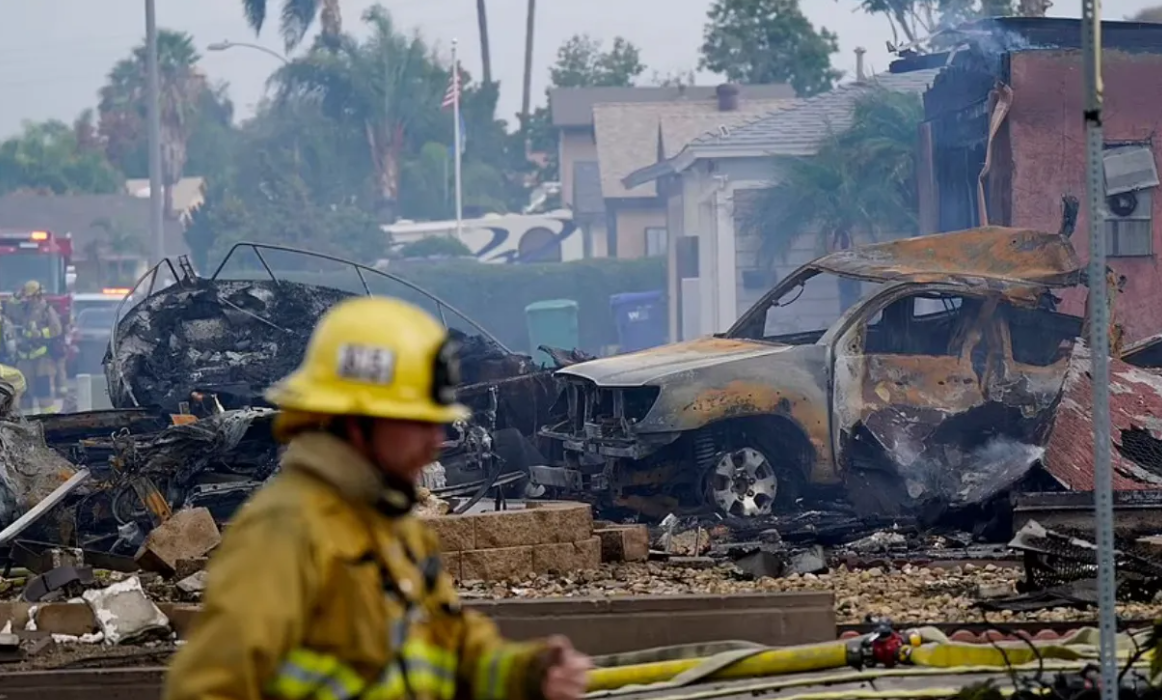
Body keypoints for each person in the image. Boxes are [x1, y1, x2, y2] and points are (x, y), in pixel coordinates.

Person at [164, 296, 592, 700]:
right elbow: (208, 687)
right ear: (355, 422)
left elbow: (452, 652)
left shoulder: (398, 531)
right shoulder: (285, 533)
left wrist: (526, 674)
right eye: (416, 423)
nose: (433, 443)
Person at [9, 281, 61, 413]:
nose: (29, 299)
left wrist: (40, 333)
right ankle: (27, 424)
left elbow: (57, 329)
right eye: (27, 297)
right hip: (24, 358)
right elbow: (10, 310)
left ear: (38, 295)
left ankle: (48, 421)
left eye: (31, 296)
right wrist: (17, 296)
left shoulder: (46, 309)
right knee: (24, 393)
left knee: (43, 392)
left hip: (42, 358)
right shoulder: (24, 308)